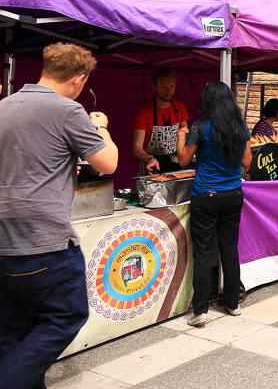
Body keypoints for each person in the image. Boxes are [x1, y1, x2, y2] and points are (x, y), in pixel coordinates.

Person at [0, 43, 118, 388]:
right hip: (44, 240)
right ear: (79, 79)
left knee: (13, 331)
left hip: (5, 239)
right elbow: (108, 164)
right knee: (65, 318)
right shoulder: (68, 111)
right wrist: (101, 127)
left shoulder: (5, 105)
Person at [176, 82, 251, 327]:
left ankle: (201, 311)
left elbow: (184, 159)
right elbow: (247, 162)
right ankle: (233, 304)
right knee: (229, 250)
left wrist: (181, 137)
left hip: (205, 196)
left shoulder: (200, 126)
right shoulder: (239, 127)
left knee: (203, 254)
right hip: (232, 194)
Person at [132, 68, 189, 175]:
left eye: (172, 86)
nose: (168, 91)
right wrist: (149, 159)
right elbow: (136, 148)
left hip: (174, 163)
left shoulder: (180, 107)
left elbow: (185, 131)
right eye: (164, 87)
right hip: (151, 165)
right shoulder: (144, 112)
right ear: (155, 87)